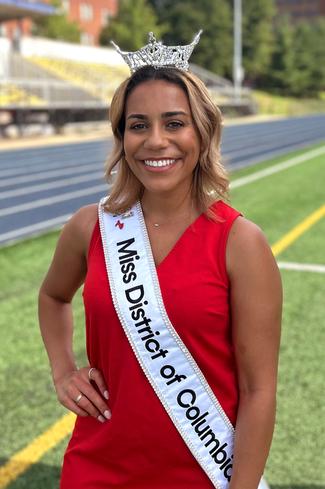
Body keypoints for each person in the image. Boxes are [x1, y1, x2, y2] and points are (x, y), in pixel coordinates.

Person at [38, 33, 282, 489]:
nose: (155, 141)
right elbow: (53, 296)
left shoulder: (240, 242)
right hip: (93, 469)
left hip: (200, 473)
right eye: (138, 125)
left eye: (174, 123)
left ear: (202, 130)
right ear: (121, 136)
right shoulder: (89, 227)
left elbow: (258, 391)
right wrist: (63, 370)